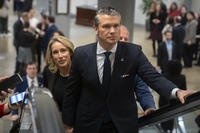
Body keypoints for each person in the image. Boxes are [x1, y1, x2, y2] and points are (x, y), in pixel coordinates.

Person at [62, 7, 194, 133]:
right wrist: (68, 125)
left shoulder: (133, 52)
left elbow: (153, 76)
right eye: (106, 26)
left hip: (122, 125)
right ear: (96, 28)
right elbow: (71, 93)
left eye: (116, 26)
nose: (113, 31)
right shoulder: (80, 54)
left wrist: (176, 92)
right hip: (89, 125)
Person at [119, 25, 156, 115]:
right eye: (120, 38)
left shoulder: (133, 61)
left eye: (126, 39)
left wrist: (149, 107)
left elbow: (142, 90)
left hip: (125, 116)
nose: (123, 41)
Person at [43, 35, 74, 112]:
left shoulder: (80, 72)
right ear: (52, 56)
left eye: (63, 50)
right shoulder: (48, 72)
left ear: (70, 52)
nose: (60, 56)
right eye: (55, 52)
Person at [159, 60, 187, 133]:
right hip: (176, 102)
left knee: (162, 116)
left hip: (163, 101)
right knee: (172, 117)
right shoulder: (182, 77)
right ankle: (170, 129)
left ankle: (164, 129)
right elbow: (184, 90)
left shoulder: (163, 76)